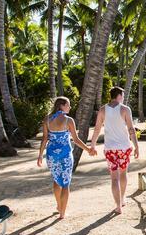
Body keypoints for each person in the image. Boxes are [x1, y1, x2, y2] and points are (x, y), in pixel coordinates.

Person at [38, 96, 94, 219]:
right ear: (61, 106)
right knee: (65, 183)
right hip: (65, 155)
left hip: (51, 155)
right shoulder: (69, 120)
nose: (70, 107)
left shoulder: (47, 119)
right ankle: (62, 213)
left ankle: (59, 206)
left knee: (56, 179)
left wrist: (40, 156)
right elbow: (76, 139)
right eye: (68, 105)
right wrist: (88, 149)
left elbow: (44, 139)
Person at [89, 87, 139, 215]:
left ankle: (118, 206)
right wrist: (137, 146)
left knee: (114, 178)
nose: (123, 97)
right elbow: (131, 129)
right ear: (119, 96)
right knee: (123, 174)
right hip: (124, 148)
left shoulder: (102, 110)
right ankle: (122, 199)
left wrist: (93, 145)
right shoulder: (125, 109)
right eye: (122, 95)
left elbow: (96, 129)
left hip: (110, 149)